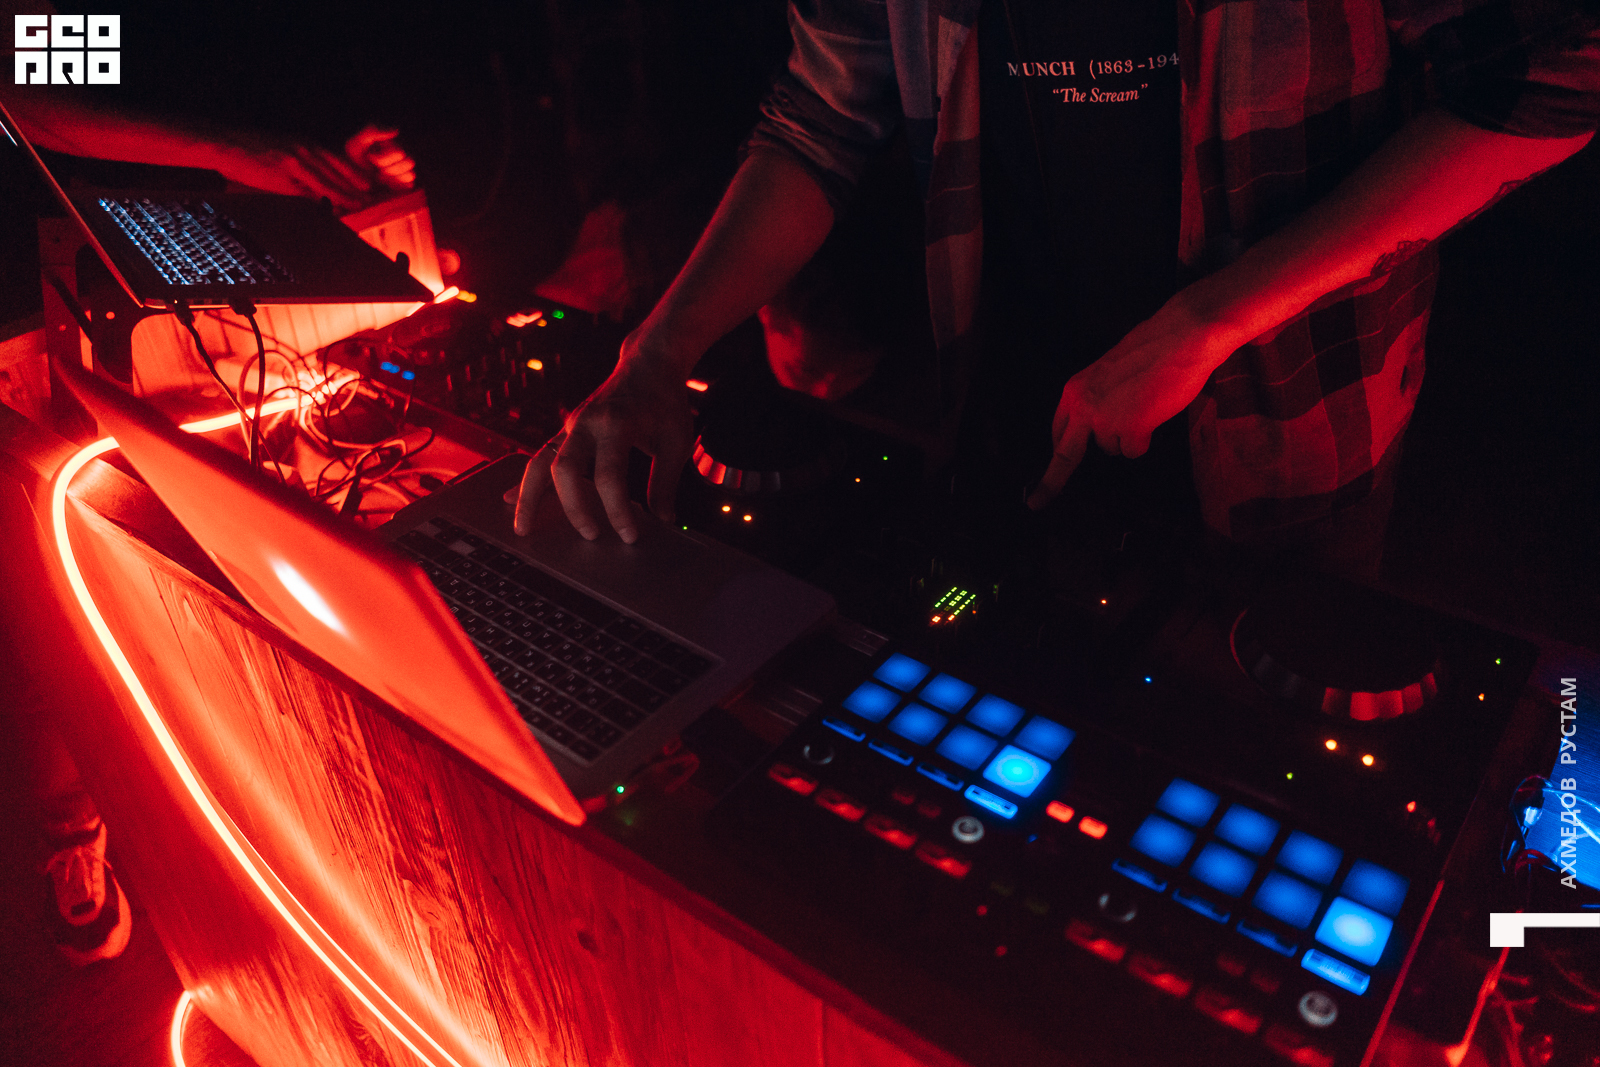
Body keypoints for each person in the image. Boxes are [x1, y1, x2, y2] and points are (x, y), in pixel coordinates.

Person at [511, 0, 1599, 584]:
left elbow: (1557, 76)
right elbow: (819, 120)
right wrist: (656, 354)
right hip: (1002, 411)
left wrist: (1209, 319)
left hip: (1288, 422)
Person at [0, 0, 417, 965]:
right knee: (53, 587)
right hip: (33, 299)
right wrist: (241, 152)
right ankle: (77, 828)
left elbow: (158, 69)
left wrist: (321, 160)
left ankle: (246, 827)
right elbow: (31, 93)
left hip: (173, 257)